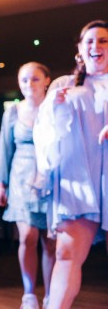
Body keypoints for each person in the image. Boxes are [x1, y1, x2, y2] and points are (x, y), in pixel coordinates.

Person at [33, 20, 108, 309]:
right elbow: (43, 134)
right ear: (80, 49)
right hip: (78, 178)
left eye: (103, 41)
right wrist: (54, 108)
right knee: (65, 254)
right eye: (90, 41)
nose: (96, 46)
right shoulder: (64, 84)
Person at [0, 62, 55, 309]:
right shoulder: (13, 112)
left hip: (50, 178)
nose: (29, 84)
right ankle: (29, 296)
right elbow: (4, 148)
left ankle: (52, 295)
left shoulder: (54, 107)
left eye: (35, 79)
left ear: (47, 80)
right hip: (20, 179)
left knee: (51, 241)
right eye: (24, 80)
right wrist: (1, 184)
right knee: (27, 237)